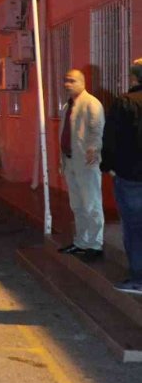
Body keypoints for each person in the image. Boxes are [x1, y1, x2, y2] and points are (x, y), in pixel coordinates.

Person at [101, 59, 142, 295]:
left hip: (131, 176)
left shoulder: (124, 103)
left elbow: (111, 140)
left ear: (134, 78)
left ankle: (138, 278)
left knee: (134, 227)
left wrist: (109, 166)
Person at [57, 69, 105, 260]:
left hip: (87, 162)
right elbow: (65, 134)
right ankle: (81, 242)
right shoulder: (67, 106)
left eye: (72, 81)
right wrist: (62, 160)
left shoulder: (91, 103)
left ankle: (95, 244)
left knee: (91, 203)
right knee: (77, 204)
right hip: (70, 161)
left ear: (82, 82)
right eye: (66, 80)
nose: (67, 84)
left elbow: (97, 129)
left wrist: (94, 149)